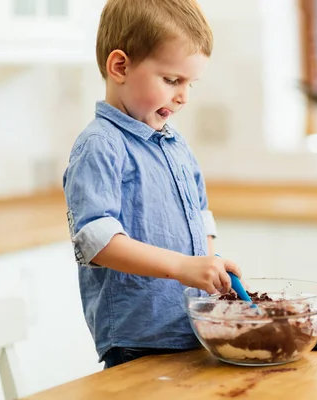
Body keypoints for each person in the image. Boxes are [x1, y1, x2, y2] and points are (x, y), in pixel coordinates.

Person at [62, 0, 241, 369]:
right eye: (172, 80)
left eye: (190, 83)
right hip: (138, 341)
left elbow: (201, 216)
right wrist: (181, 266)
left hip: (190, 329)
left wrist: (210, 265)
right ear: (120, 67)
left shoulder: (176, 146)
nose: (183, 96)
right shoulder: (101, 145)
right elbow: (97, 242)